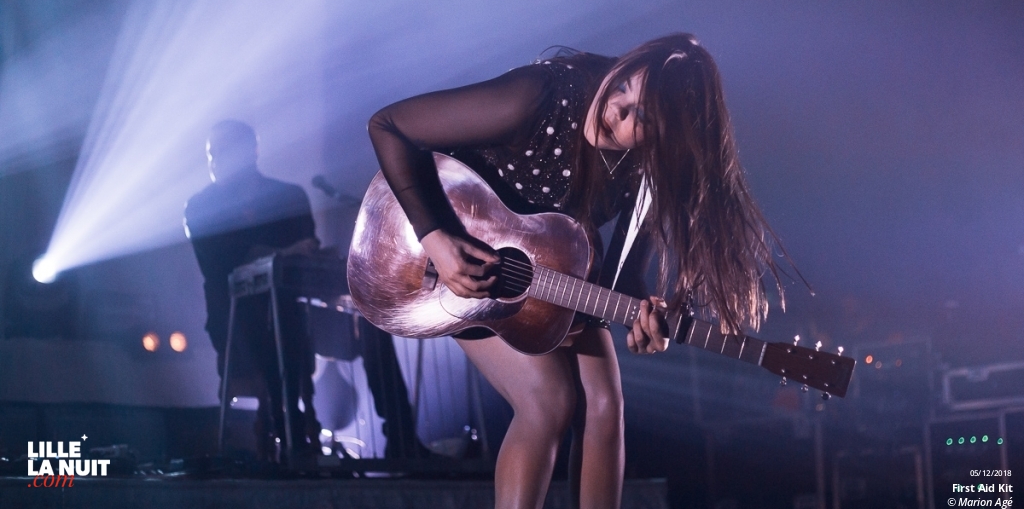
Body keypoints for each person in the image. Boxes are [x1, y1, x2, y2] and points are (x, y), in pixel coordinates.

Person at [367, 33, 787, 508]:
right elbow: (388, 125)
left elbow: (619, 287)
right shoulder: (542, 96)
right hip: (438, 258)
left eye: (642, 118)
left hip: (540, 279)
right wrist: (437, 238)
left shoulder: (649, 171)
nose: (617, 113)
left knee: (605, 404)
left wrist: (651, 317)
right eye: (623, 89)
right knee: (549, 401)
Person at [184, 120, 321, 459]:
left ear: (251, 151)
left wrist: (266, 251)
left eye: (222, 151)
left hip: (294, 312)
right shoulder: (201, 205)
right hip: (234, 320)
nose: (215, 160)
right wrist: (280, 252)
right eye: (211, 154)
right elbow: (220, 265)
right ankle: (289, 428)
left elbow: (306, 246)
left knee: (366, 322)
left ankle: (400, 435)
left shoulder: (287, 196)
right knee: (268, 331)